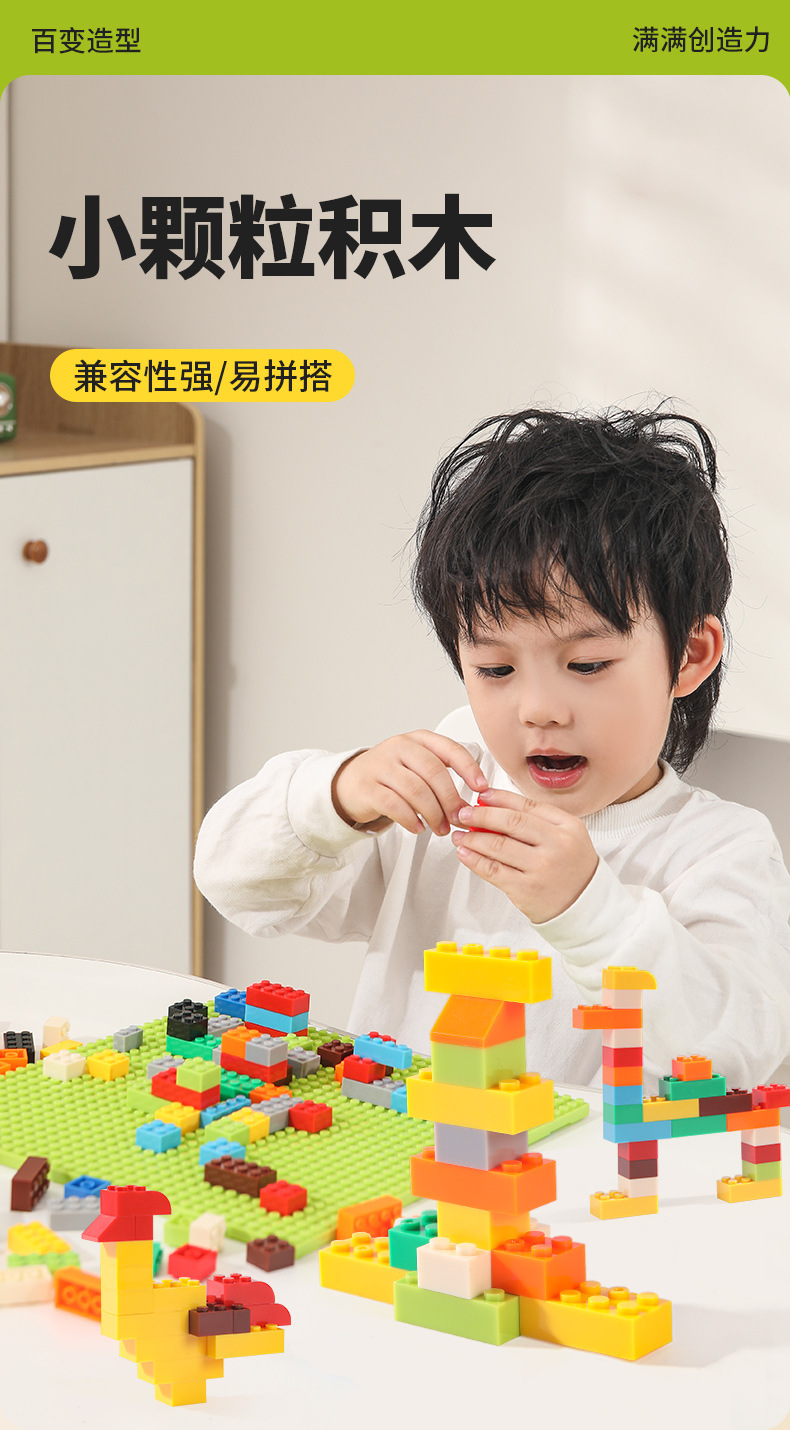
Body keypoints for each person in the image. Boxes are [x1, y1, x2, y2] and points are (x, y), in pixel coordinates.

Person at [194, 407, 790, 1090]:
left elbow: (737, 1052)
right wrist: (334, 797)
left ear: (689, 655)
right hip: (399, 1149)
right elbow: (237, 884)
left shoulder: (720, 850)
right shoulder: (450, 788)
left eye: (587, 664)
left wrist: (587, 908)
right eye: (496, 669)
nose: (538, 708)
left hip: (579, 1164)